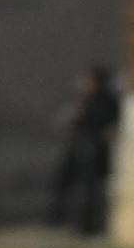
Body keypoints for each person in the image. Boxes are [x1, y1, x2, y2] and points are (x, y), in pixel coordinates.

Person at [49, 66, 121, 236]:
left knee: (90, 190)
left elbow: (105, 125)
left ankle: (86, 227)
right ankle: (60, 220)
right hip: (80, 148)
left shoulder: (105, 101)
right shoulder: (86, 99)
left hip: (94, 151)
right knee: (66, 184)